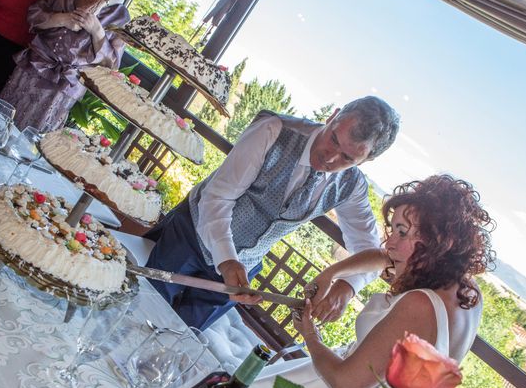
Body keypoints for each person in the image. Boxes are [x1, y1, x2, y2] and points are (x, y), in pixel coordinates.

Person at [244, 175, 496, 388]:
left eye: (402, 232)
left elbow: (344, 384)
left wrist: (309, 334)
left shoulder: (420, 305)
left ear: (437, 243)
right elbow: (383, 257)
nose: (390, 241)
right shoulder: (467, 293)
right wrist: (333, 274)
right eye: (393, 229)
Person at [144, 97, 401, 330]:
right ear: (332, 117)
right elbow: (218, 196)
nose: (331, 157)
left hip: (242, 271)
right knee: (141, 304)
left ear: (366, 161)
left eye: (347, 157)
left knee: (178, 335)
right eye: (333, 138)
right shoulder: (273, 130)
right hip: (190, 236)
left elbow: (371, 250)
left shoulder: (352, 186)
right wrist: (226, 258)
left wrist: (348, 286)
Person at [0, 0, 129, 132]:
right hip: (32, 68)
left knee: (31, 137)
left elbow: (111, 64)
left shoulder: (121, 16)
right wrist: (61, 19)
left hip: (63, 87)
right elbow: (33, 15)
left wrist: (96, 31)